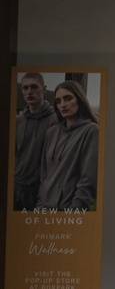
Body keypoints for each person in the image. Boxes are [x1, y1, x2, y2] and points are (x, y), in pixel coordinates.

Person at [36, 79, 100, 212]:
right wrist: (40, 204)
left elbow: (88, 179)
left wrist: (74, 211)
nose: (63, 105)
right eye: (58, 101)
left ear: (79, 100)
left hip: (69, 211)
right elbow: (43, 174)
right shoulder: (51, 132)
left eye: (68, 98)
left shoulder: (91, 131)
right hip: (44, 209)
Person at [14, 71, 56, 211]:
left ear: (43, 89)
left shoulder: (55, 121)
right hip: (17, 187)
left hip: (41, 190)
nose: (29, 92)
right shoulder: (18, 121)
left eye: (34, 87)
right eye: (25, 88)